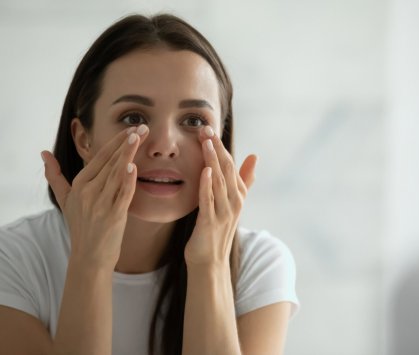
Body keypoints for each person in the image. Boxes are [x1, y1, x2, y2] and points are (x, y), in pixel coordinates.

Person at [0, 13, 299, 355]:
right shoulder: (13, 260)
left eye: (193, 120)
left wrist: (210, 265)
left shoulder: (259, 264)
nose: (164, 145)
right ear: (83, 139)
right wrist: (91, 261)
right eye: (134, 118)